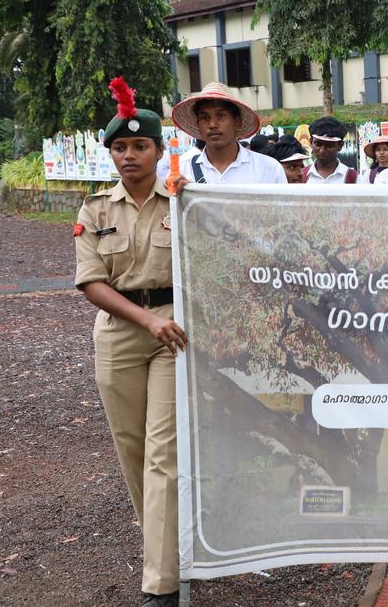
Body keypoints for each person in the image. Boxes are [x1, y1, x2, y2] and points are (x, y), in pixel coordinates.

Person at [75, 78, 187, 607]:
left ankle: (160, 583)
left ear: (158, 151)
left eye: (140, 145)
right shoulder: (94, 211)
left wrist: (159, 322)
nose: (129, 155)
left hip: (174, 331)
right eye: (120, 147)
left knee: (163, 452)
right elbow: (92, 283)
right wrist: (144, 321)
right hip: (122, 331)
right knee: (132, 450)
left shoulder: (185, 202)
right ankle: (166, 547)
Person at [168, 81, 286, 189]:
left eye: (221, 116)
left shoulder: (269, 170)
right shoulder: (182, 170)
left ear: (237, 122)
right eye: (204, 118)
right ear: (198, 124)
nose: (212, 124)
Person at [302, 117, 355, 184]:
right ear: (311, 142)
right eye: (318, 144)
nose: (322, 150)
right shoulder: (301, 176)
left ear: (340, 146)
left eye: (329, 146)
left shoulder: (354, 178)